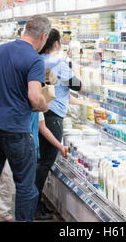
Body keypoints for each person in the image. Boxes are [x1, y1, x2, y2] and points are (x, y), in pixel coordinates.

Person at [0, 15, 52, 222]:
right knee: (25, 186)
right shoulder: (34, 59)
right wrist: (44, 105)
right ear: (43, 36)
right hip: (17, 130)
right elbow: (34, 96)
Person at [35, 28, 82, 220]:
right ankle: (34, 206)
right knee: (46, 162)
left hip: (40, 111)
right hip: (53, 115)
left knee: (40, 160)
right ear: (56, 44)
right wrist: (75, 63)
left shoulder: (38, 60)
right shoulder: (59, 63)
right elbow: (78, 85)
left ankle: (35, 203)